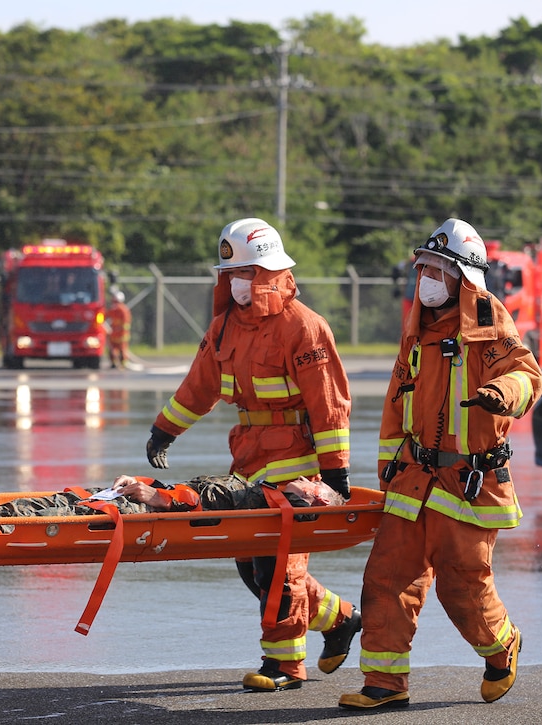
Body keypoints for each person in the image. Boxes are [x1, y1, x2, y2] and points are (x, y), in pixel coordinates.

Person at [144, 217, 361, 692]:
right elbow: (198, 386)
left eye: (246, 274)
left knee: (278, 565)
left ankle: (284, 666)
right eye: (231, 275)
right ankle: (341, 618)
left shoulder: (304, 328)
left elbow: (329, 405)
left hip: (298, 466)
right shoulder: (225, 328)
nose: (237, 283)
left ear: (268, 273)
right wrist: (164, 430)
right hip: (248, 463)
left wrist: (335, 475)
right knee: (251, 567)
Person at [338, 218, 542, 710]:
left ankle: (501, 648)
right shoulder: (417, 332)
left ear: (464, 278)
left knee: (461, 585)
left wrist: (502, 395)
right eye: (423, 267)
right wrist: (387, 472)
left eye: (437, 268)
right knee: (387, 577)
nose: (426, 277)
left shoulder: (490, 325)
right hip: (413, 478)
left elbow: (526, 373)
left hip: (467, 480)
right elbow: (396, 403)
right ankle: (384, 685)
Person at [0, 473, 340, 518]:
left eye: (315, 484)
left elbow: (205, 504)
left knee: (68, 510)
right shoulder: (267, 492)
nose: (312, 477)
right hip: (150, 497)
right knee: (72, 501)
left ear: (317, 501)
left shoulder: (267, 502)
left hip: (149, 508)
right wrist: (147, 484)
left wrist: (157, 497)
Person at [106, 289, 132, 369]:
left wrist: (121, 332)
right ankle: (114, 363)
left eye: (115, 301)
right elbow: (105, 316)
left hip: (121, 335)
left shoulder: (123, 310)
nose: (114, 304)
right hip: (114, 335)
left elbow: (126, 323)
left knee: (122, 350)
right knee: (112, 350)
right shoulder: (113, 309)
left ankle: (123, 363)